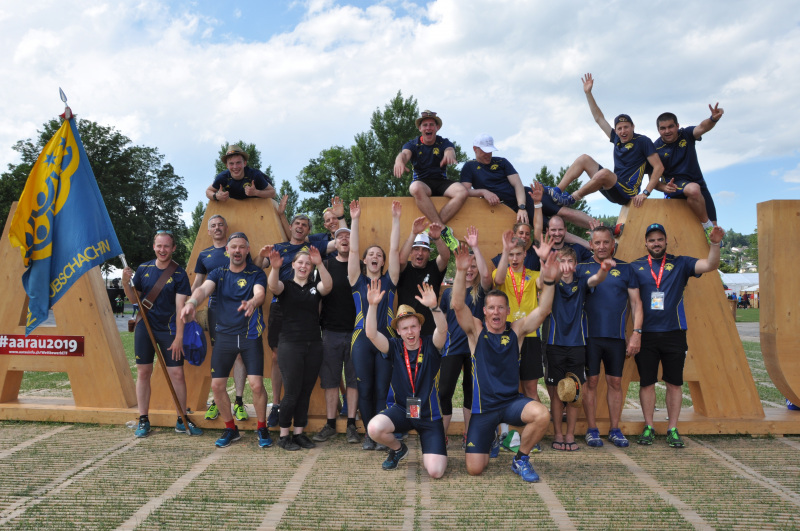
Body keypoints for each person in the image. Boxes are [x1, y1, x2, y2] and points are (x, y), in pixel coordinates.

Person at [453, 244, 560, 483]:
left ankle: (520, 459)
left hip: (511, 403)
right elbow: (458, 305)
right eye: (491, 308)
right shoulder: (476, 331)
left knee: (542, 414)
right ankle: (490, 438)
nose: (496, 312)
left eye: (501, 308)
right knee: (475, 469)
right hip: (484, 409)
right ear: (484, 311)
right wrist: (460, 272)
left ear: (507, 311)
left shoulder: (516, 331)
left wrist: (550, 281)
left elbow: (543, 310)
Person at [631, 223, 724, 448]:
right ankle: (649, 426)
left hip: (674, 332)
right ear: (646, 243)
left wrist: (715, 244)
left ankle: (672, 428)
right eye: (651, 240)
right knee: (647, 383)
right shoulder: (635, 267)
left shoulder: (681, 263)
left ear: (666, 241)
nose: (656, 243)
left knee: (674, 383)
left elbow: (710, 264)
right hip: (646, 334)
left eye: (659, 239)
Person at [181, 232, 268, 448]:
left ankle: (262, 427)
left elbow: (260, 293)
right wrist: (191, 302)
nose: (237, 250)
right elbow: (203, 289)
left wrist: (252, 302)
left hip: (249, 336)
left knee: (257, 385)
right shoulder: (218, 273)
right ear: (227, 250)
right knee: (217, 386)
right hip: (224, 337)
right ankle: (230, 428)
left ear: (247, 250)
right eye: (234, 247)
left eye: (241, 247)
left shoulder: (256, 273)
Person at [260, 210, 339, 428]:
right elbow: (261, 266)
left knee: (307, 356)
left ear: (308, 231)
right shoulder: (279, 248)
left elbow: (342, 242)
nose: (300, 227)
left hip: (307, 305)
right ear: (291, 226)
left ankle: (296, 410)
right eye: (297, 223)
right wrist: (264, 257)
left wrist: (338, 221)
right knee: (277, 357)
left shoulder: (314, 247)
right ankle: (277, 405)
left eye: (304, 224)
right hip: (280, 305)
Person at [364, 281, 449, 478]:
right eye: (405, 328)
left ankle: (433, 448)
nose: (410, 332)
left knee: (435, 471)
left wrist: (434, 307)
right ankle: (398, 449)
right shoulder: (393, 346)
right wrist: (373, 305)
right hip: (402, 409)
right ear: (398, 331)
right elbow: (371, 334)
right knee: (374, 428)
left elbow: (443, 330)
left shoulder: (431, 345)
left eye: (413, 327)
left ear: (420, 327)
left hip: (429, 415)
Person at [122, 231, 202, 438]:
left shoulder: (179, 273)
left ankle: (182, 419)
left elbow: (180, 307)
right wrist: (125, 283)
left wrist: (179, 338)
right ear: (154, 247)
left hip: (169, 329)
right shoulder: (143, 269)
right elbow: (135, 299)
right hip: (144, 326)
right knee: (143, 372)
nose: (162, 250)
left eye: (167, 246)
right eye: (159, 246)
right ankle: (143, 419)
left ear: (173, 248)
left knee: (177, 374)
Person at [547, 73, 664, 209]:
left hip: (628, 192)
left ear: (633, 127)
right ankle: (557, 191)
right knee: (584, 159)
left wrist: (645, 193)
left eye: (626, 127)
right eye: (619, 128)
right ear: (616, 130)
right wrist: (588, 93)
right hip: (612, 186)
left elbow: (659, 167)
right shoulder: (617, 139)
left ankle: (571, 198)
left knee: (605, 173)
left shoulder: (643, 141)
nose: (623, 131)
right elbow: (599, 118)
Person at [539, 246, 611, 451]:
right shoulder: (552, 283)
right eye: (562, 261)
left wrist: (604, 269)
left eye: (570, 261)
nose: (566, 266)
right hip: (554, 344)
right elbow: (542, 281)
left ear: (576, 265)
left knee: (574, 393)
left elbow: (596, 279)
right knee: (556, 394)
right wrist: (544, 261)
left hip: (577, 345)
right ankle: (558, 434)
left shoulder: (581, 282)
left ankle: (570, 434)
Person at [580, 225, 643, 448]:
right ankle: (592, 429)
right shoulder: (581, 268)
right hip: (589, 337)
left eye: (606, 242)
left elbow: (636, 303)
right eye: (597, 242)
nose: (602, 246)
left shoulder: (626, 269)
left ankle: (615, 429)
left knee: (615, 382)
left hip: (616, 337)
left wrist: (636, 333)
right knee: (591, 382)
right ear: (590, 245)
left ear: (613, 244)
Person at [266, 245, 333, 450]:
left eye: (307, 263)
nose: (304, 266)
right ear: (294, 265)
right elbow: (273, 286)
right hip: (290, 345)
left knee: (305, 392)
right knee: (292, 392)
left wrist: (320, 263)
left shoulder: (315, 288)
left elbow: (328, 286)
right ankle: (284, 435)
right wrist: (275, 267)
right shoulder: (286, 286)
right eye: (300, 262)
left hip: (313, 345)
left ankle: (298, 433)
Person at [348, 199, 401, 450]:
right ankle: (369, 434)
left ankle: (380, 434)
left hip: (386, 339)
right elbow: (352, 251)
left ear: (382, 262)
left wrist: (396, 220)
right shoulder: (357, 280)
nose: (375, 257)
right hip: (360, 339)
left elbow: (394, 250)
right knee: (365, 388)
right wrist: (355, 220)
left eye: (379, 255)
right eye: (371, 254)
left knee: (382, 389)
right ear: (365, 260)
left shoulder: (390, 280)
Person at [461, 135, 595, 230]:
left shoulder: (501, 162)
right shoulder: (469, 166)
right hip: (507, 209)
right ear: (475, 149)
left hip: (526, 198)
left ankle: (602, 228)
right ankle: (590, 247)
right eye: (485, 151)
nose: (488, 154)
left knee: (564, 212)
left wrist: (522, 207)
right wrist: (484, 192)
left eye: (490, 151)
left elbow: (517, 184)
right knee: (551, 229)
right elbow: (464, 191)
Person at [438, 226, 492, 447]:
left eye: (473, 266)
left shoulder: (482, 291)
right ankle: (440, 435)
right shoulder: (449, 293)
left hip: (474, 348)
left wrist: (475, 248)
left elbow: (486, 275)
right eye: (466, 266)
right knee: (444, 392)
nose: (470, 270)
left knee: (471, 393)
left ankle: (469, 434)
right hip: (452, 347)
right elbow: (442, 322)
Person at [192, 214, 250, 423]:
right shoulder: (204, 255)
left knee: (240, 356)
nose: (217, 228)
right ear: (209, 231)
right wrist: (189, 304)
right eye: (213, 226)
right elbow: (198, 284)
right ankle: (218, 401)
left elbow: (251, 274)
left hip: (239, 310)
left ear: (226, 228)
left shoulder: (237, 249)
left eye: (220, 225)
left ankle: (239, 402)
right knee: (220, 355)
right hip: (215, 310)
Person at [312, 226, 360, 444]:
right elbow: (318, 299)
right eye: (340, 236)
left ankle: (351, 424)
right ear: (335, 242)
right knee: (330, 380)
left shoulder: (361, 266)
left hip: (356, 332)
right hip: (330, 331)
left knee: (353, 380)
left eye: (348, 236)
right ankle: (330, 424)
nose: (344, 239)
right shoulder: (326, 265)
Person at [492, 230, 550, 403]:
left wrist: (544, 260)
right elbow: (499, 280)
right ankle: (510, 420)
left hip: (530, 336)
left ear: (525, 254)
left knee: (530, 388)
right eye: (511, 255)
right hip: (507, 335)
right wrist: (505, 250)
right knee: (507, 386)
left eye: (518, 254)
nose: (515, 258)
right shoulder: (500, 273)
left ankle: (539, 420)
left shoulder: (533, 275)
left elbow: (543, 282)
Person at [393, 109, 463, 250]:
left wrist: (450, 154)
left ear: (437, 128)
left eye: (432, 125)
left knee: (462, 191)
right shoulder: (413, 144)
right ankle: (443, 230)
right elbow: (404, 154)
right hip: (423, 182)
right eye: (425, 125)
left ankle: (435, 227)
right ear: (420, 128)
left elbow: (449, 150)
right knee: (415, 188)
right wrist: (399, 161)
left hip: (441, 181)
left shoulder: (443, 142)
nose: (428, 128)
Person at [653, 104, 724, 241]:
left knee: (715, 233)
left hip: (699, 186)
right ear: (658, 130)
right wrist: (664, 188)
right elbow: (653, 181)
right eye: (663, 128)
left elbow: (702, 127)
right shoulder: (655, 149)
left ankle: (710, 230)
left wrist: (713, 119)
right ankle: (707, 226)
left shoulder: (686, 134)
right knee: (693, 190)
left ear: (677, 126)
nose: (667, 131)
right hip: (675, 189)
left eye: (670, 126)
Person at [397, 218, 451, 337]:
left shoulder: (434, 267)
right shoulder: (404, 267)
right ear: (410, 252)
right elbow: (401, 260)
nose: (420, 253)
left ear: (429, 253)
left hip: (429, 332)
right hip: (406, 331)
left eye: (424, 250)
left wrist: (437, 238)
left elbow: (445, 256)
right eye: (416, 249)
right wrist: (413, 233)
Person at [206, 145, 276, 201]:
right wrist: (216, 196)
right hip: (237, 208)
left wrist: (256, 192)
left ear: (244, 163)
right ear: (227, 166)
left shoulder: (254, 175)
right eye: (231, 163)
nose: (235, 167)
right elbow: (208, 191)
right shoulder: (222, 177)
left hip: (258, 206)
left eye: (238, 162)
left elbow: (272, 193)